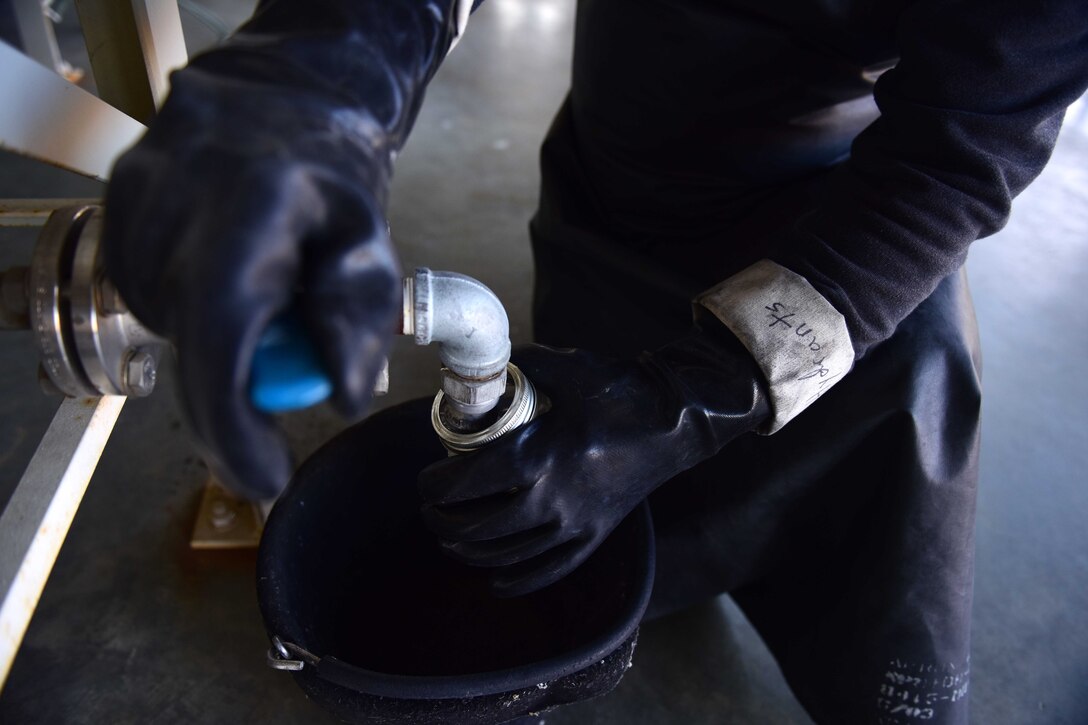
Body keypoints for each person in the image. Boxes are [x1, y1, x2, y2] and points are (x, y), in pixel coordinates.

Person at [101, 1, 1088, 722]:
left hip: (837, 226)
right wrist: (323, 75)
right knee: (577, 470)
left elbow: (959, 148)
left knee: (882, 526)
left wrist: (686, 400)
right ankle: (636, 570)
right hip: (613, 174)